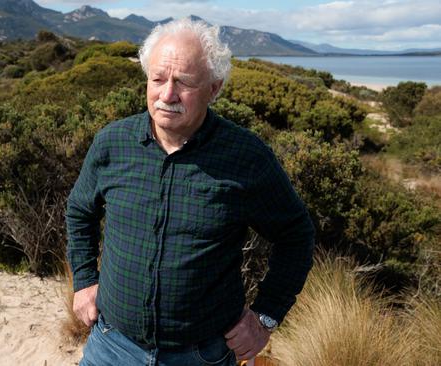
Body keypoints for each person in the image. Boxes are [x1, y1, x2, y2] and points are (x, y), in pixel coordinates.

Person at [66, 18, 315, 366]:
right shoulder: (113, 142)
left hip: (202, 355)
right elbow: (80, 210)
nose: (167, 94)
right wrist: (84, 279)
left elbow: (296, 235)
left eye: (183, 82)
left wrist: (266, 316)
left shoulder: (246, 156)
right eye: (158, 79)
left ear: (214, 88)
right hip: (111, 346)